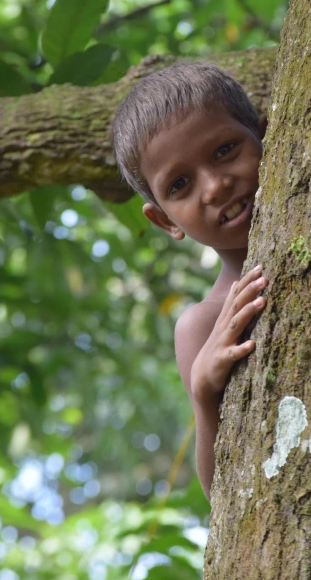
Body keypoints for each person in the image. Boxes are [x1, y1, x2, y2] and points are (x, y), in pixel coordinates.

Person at [111, 60, 268, 499]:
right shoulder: (204, 324)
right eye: (180, 184)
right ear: (164, 221)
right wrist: (203, 392)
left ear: (267, 135)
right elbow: (221, 495)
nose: (215, 186)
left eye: (225, 150)